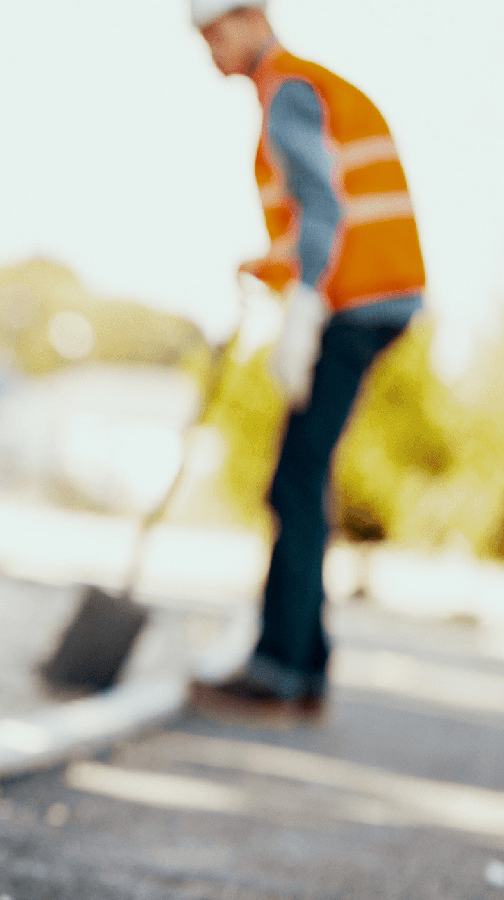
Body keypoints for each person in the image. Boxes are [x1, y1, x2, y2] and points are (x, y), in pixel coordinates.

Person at [184, 0, 424, 726]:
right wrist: (271, 265)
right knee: (302, 477)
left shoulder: (288, 89)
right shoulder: (309, 86)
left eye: (215, 33)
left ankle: (279, 672)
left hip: (354, 305)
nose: (209, 52)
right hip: (372, 299)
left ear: (252, 19)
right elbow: (317, 218)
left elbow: (322, 209)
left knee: (291, 485)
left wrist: (306, 308)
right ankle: (303, 670)